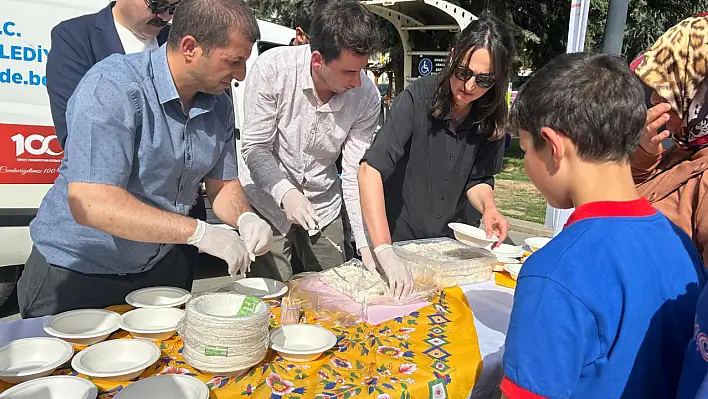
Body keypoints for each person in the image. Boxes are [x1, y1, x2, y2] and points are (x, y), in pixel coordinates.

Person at [19, 0, 273, 318]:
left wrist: (244, 218)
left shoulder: (218, 104)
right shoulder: (114, 86)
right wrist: (200, 232)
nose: (241, 74)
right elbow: (93, 203)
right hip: (80, 272)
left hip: (158, 269)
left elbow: (222, 185)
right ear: (191, 47)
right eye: (234, 61)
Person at [500, 53, 704, 399]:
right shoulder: (681, 245)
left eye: (523, 149)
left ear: (552, 146)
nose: (525, 168)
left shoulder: (553, 274)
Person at [45, 0, 207, 292]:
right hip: (97, 250)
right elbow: (77, 140)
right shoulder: (76, 37)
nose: (164, 16)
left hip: (170, 246)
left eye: (174, 7)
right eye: (157, 3)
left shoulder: (182, 44)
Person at [358, 16, 513, 298]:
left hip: (449, 248)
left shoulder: (490, 116)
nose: (469, 86)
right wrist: (383, 248)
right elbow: (370, 170)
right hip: (399, 240)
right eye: (463, 72)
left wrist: (489, 207)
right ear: (452, 56)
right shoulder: (417, 98)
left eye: (484, 80)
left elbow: (477, 180)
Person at [238, 1, 381, 282]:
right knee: (272, 295)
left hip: (323, 204)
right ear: (318, 60)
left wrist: (367, 246)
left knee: (337, 287)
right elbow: (255, 148)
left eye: (361, 71)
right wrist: (285, 192)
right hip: (267, 200)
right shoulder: (273, 70)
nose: (357, 82)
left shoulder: (367, 96)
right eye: (348, 72)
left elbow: (353, 175)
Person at [631, 15, 708, 267]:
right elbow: (625, 199)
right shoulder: (685, 149)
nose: (653, 99)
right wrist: (646, 152)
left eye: (667, 90)